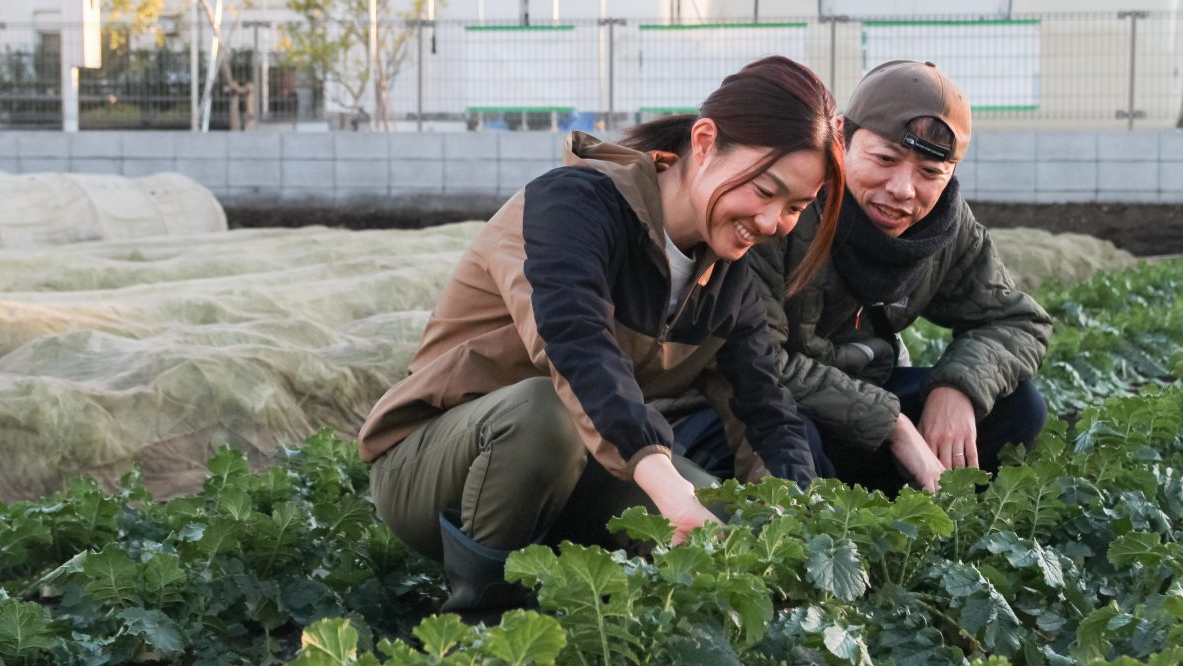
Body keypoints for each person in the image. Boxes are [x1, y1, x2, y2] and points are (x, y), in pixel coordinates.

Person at [358, 55, 845, 614]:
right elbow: (575, 345)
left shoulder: (727, 280)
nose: (771, 222)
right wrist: (666, 486)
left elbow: (765, 410)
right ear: (705, 142)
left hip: (579, 468)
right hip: (434, 466)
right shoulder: (572, 206)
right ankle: (485, 622)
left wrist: (790, 523)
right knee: (544, 413)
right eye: (764, 191)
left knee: (725, 524)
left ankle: (609, 620)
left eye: (795, 208)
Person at [673, 59, 1052, 495]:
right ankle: (846, 507)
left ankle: (913, 511)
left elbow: (1019, 321)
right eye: (885, 159)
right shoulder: (784, 208)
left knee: (1019, 406)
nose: (903, 189)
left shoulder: (948, 226)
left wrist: (959, 386)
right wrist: (892, 424)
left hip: (865, 396)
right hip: (760, 396)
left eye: (930, 173)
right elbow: (757, 361)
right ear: (841, 137)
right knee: (787, 437)